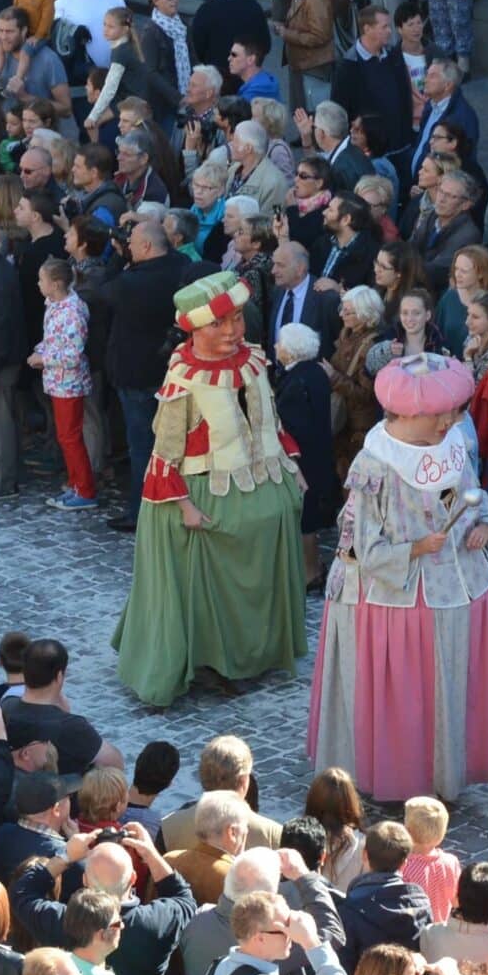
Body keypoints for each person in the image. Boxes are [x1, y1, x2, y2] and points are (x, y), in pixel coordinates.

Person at [309, 355, 488, 800]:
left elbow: (472, 496)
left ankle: (441, 770)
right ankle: (398, 773)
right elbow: (357, 547)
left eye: (455, 410)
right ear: (412, 414)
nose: (454, 421)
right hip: (392, 598)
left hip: (457, 587)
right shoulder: (374, 467)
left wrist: (485, 524)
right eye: (444, 413)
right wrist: (413, 548)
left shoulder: (451, 443)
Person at [113, 272, 307, 706]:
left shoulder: (253, 361)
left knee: (254, 580)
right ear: (195, 329)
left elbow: (268, 422)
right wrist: (184, 506)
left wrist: (291, 466)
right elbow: (165, 451)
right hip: (202, 496)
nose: (232, 331)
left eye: (237, 319)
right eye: (218, 325)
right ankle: (210, 662)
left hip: (259, 484)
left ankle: (251, 656)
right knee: (209, 590)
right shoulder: (184, 379)